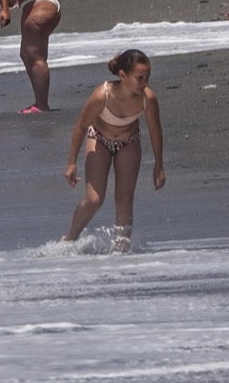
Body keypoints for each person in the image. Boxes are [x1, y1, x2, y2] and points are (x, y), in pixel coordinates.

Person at [62, 50, 166, 253]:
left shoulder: (148, 99)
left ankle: (122, 247)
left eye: (147, 78)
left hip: (129, 142)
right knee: (94, 200)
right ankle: (69, 240)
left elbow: (155, 132)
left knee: (124, 198)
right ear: (122, 75)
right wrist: (72, 162)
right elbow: (81, 126)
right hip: (99, 140)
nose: (143, 83)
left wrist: (159, 165)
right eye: (139, 78)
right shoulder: (103, 94)